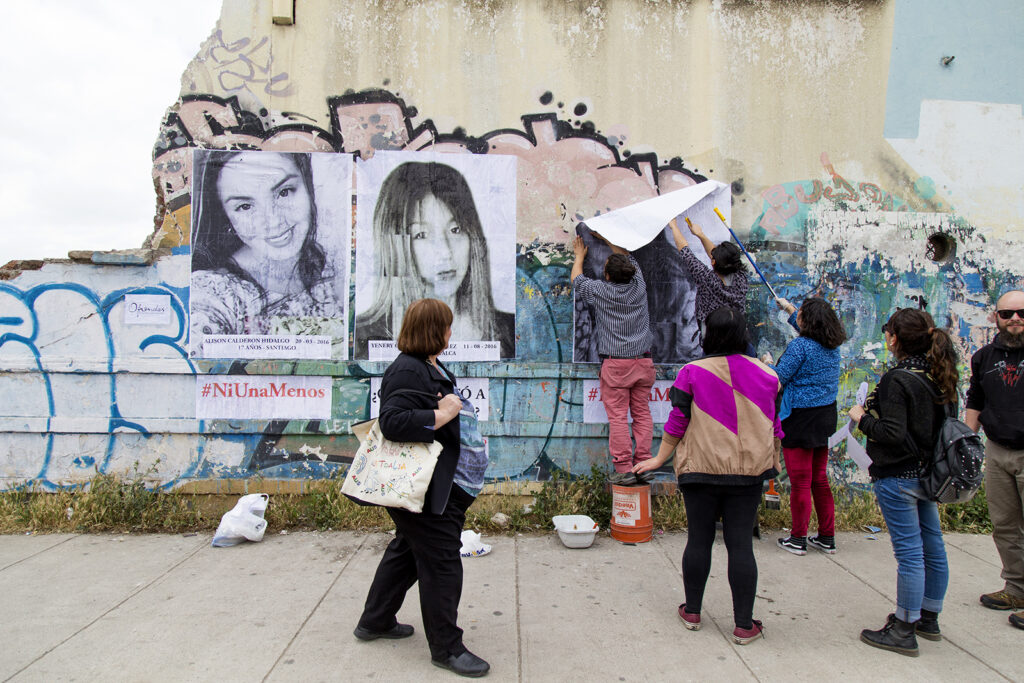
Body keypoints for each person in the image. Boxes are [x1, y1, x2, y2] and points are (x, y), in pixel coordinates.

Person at [354, 298, 490, 678]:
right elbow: (394, 421)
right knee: (442, 563)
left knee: (408, 552)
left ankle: (375, 620)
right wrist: (444, 412)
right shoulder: (408, 371)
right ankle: (447, 649)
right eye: (446, 326)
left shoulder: (427, 362)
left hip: (438, 487)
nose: (451, 333)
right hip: (425, 491)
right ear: (435, 330)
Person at [634, 307, 782, 644]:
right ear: (745, 332)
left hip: (699, 470)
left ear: (708, 333)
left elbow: (678, 422)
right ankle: (745, 625)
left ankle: (693, 611)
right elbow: (775, 427)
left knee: (698, 539)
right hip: (748, 474)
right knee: (741, 544)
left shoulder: (691, 372)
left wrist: (659, 458)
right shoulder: (769, 375)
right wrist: (772, 465)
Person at [849, 308, 959, 656]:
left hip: (898, 475)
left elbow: (892, 432)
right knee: (933, 545)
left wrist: (862, 418)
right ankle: (929, 616)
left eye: (888, 332)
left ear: (894, 338)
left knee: (910, 554)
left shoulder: (899, 379)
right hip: (929, 474)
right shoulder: (940, 374)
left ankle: (903, 628)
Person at [355, 161, 514, 359]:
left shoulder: (510, 331)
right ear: (396, 245)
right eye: (421, 234)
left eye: (455, 230)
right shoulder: (365, 338)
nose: (445, 251)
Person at [190, 150, 342, 350]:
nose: (273, 221)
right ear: (226, 216)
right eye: (245, 206)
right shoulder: (212, 294)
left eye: (284, 192)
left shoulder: (333, 265)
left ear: (308, 185)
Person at [763, 297, 846, 556]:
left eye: (800, 314)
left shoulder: (800, 347)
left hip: (799, 417)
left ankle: (798, 539)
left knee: (800, 481)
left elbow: (779, 377)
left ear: (808, 322)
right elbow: (806, 332)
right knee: (819, 479)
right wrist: (788, 309)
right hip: (825, 416)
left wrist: (766, 364)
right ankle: (826, 536)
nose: (797, 316)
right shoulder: (832, 345)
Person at [572, 231, 656, 486]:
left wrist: (579, 255)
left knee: (618, 416)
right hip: (643, 362)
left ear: (607, 276)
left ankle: (624, 468)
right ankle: (643, 463)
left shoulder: (600, 291)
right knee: (642, 414)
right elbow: (626, 255)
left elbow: (577, 280)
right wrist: (609, 239)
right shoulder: (639, 285)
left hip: (617, 365)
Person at [965, 289, 1024, 631]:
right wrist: (967, 442)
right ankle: (1016, 588)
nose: (1015, 318)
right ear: (996, 318)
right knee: (1004, 524)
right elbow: (976, 397)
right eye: (1007, 314)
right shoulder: (985, 357)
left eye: (1022, 312)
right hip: (998, 448)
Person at [668, 217, 748, 341]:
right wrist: (700, 235)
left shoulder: (707, 279)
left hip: (713, 340)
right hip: (738, 337)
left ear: (713, 261)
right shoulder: (741, 278)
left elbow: (684, 250)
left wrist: (674, 226)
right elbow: (718, 257)